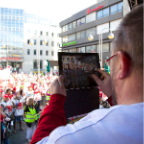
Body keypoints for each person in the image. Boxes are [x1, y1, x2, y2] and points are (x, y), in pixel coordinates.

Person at [30, 5, 143, 144]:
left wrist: (56, 101)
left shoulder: (77, 137)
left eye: (111, 60)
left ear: (122, 64)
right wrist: (113, 96)